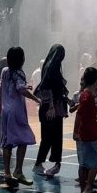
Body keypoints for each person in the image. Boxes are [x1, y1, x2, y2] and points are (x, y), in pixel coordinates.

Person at [0, 46, 41, 186]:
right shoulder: (19, 73)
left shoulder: (5, 71)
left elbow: (2, 88)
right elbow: (20, 89)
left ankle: (7, 172)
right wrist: (36, 98)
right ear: (21, 59)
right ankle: (18, 170)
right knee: (24, 138)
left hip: (6, 110)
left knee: (7, 141)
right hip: (16, 111)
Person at [33, 44, 69, 177]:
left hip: (51, 107)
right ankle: (45, 163)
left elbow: (56, 90)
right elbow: (48, 88)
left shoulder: (48, 67)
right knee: (51, 137)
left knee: (50, 137)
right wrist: (51, 106)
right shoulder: (52, 69)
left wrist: (66, 100)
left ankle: (50, 163)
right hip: (51, 108)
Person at [75, 66, 97, 193]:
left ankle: (83, 190)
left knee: (83, 163)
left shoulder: (83, 95)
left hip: (84, 133)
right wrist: (75, 131)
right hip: (90, 135)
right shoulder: (89, 97)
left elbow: (85, 115)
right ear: (96, 81)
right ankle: (88, 188)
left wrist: (95, 121)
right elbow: (79, 115)